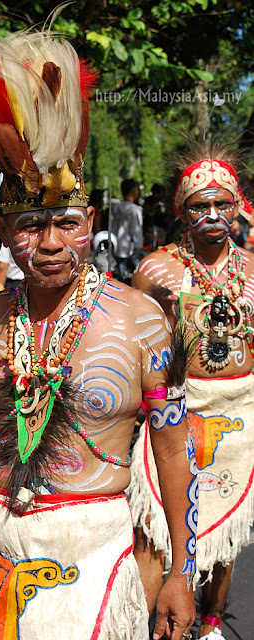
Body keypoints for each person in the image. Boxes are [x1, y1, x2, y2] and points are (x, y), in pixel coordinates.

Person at [0, 29, 196, 640]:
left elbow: (174, 451)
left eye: (66, 224)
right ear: (6, 227)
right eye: (30, 224)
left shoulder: (139, 320)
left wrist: (181, 569)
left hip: (93, 560)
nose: (48, 244)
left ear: (89, 222)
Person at [129, 145, 254, 640]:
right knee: (156, 527)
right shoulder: (157, 270)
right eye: (200, 206)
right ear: (181, 211)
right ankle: (147, 625)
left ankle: (209, 622)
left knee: (224, 534)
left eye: (222, 204)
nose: (213, 216)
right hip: (176, 410)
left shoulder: (252, 270)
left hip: (240, 411)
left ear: (238, 206)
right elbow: (134, 345)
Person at [112, 178, 144, 281]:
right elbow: (136, 231)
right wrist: (139, 247)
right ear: (133, 190)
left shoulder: (116, 208)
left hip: (116, 247)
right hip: (129, 249)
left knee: (120, 275)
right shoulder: (135, 210)